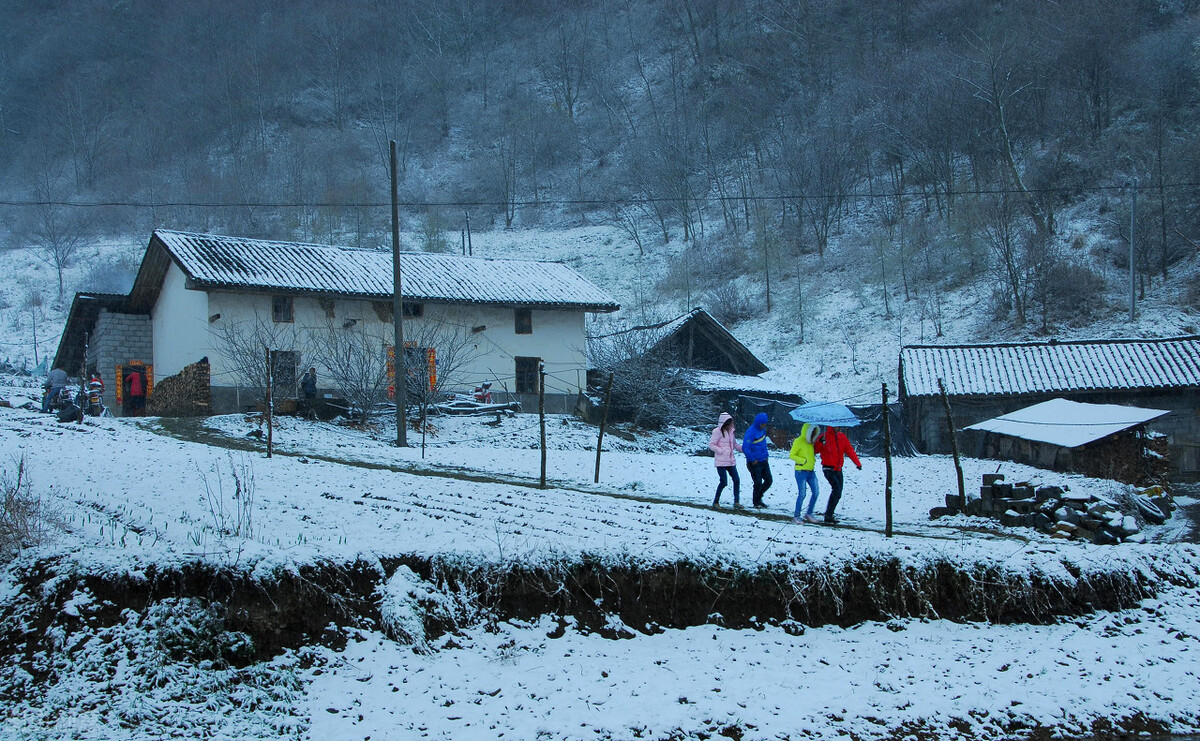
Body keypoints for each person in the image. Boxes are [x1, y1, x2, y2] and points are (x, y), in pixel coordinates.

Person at [814, 426, 862, 524]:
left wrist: (857, 463)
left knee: (838, 492)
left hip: (838, 469)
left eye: (838, 426)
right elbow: (816, 450)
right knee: (836, 489)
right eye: (835, 426)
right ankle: (828, 515)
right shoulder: (824, 436)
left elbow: (849, 450)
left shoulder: (842, 437)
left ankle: (829, 514)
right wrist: (820, 442)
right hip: (828, 468)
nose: (838, 427)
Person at [708, 412, 743, 509]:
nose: (730, 425)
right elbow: (712, 445)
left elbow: (734, 444)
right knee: (723, 482)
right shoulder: (717, 431)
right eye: (728, 423)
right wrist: (720, 451)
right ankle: (715, 502)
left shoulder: (731, 432)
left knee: (736, 480)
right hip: (721, 461)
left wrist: (744, 449)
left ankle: (736, 502)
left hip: (731, 461)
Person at [789, 422, 822, 524]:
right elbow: (792, 455)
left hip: (811, 471)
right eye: (811, 432)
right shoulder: (799, 441)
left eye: (814, 432)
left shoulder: (811, 443)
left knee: (816, 492)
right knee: (802, 494)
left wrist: (820, 442)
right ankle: (796, 516)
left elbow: (816, 452)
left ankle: (809, 513)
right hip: (800, 471)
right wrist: (803, 461)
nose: (813, 434)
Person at [742, 412, 773, 508]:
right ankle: (756, 502)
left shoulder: (762, 431)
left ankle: (759, 497)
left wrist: (766, 455)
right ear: (759, 423)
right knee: (758, 482)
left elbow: (763, 444)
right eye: (763, 423)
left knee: (769, 480)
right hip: (754, 462)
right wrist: (752, 459)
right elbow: (745, 447)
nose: (764, 425)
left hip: (764, 460)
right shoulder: (750, 432)